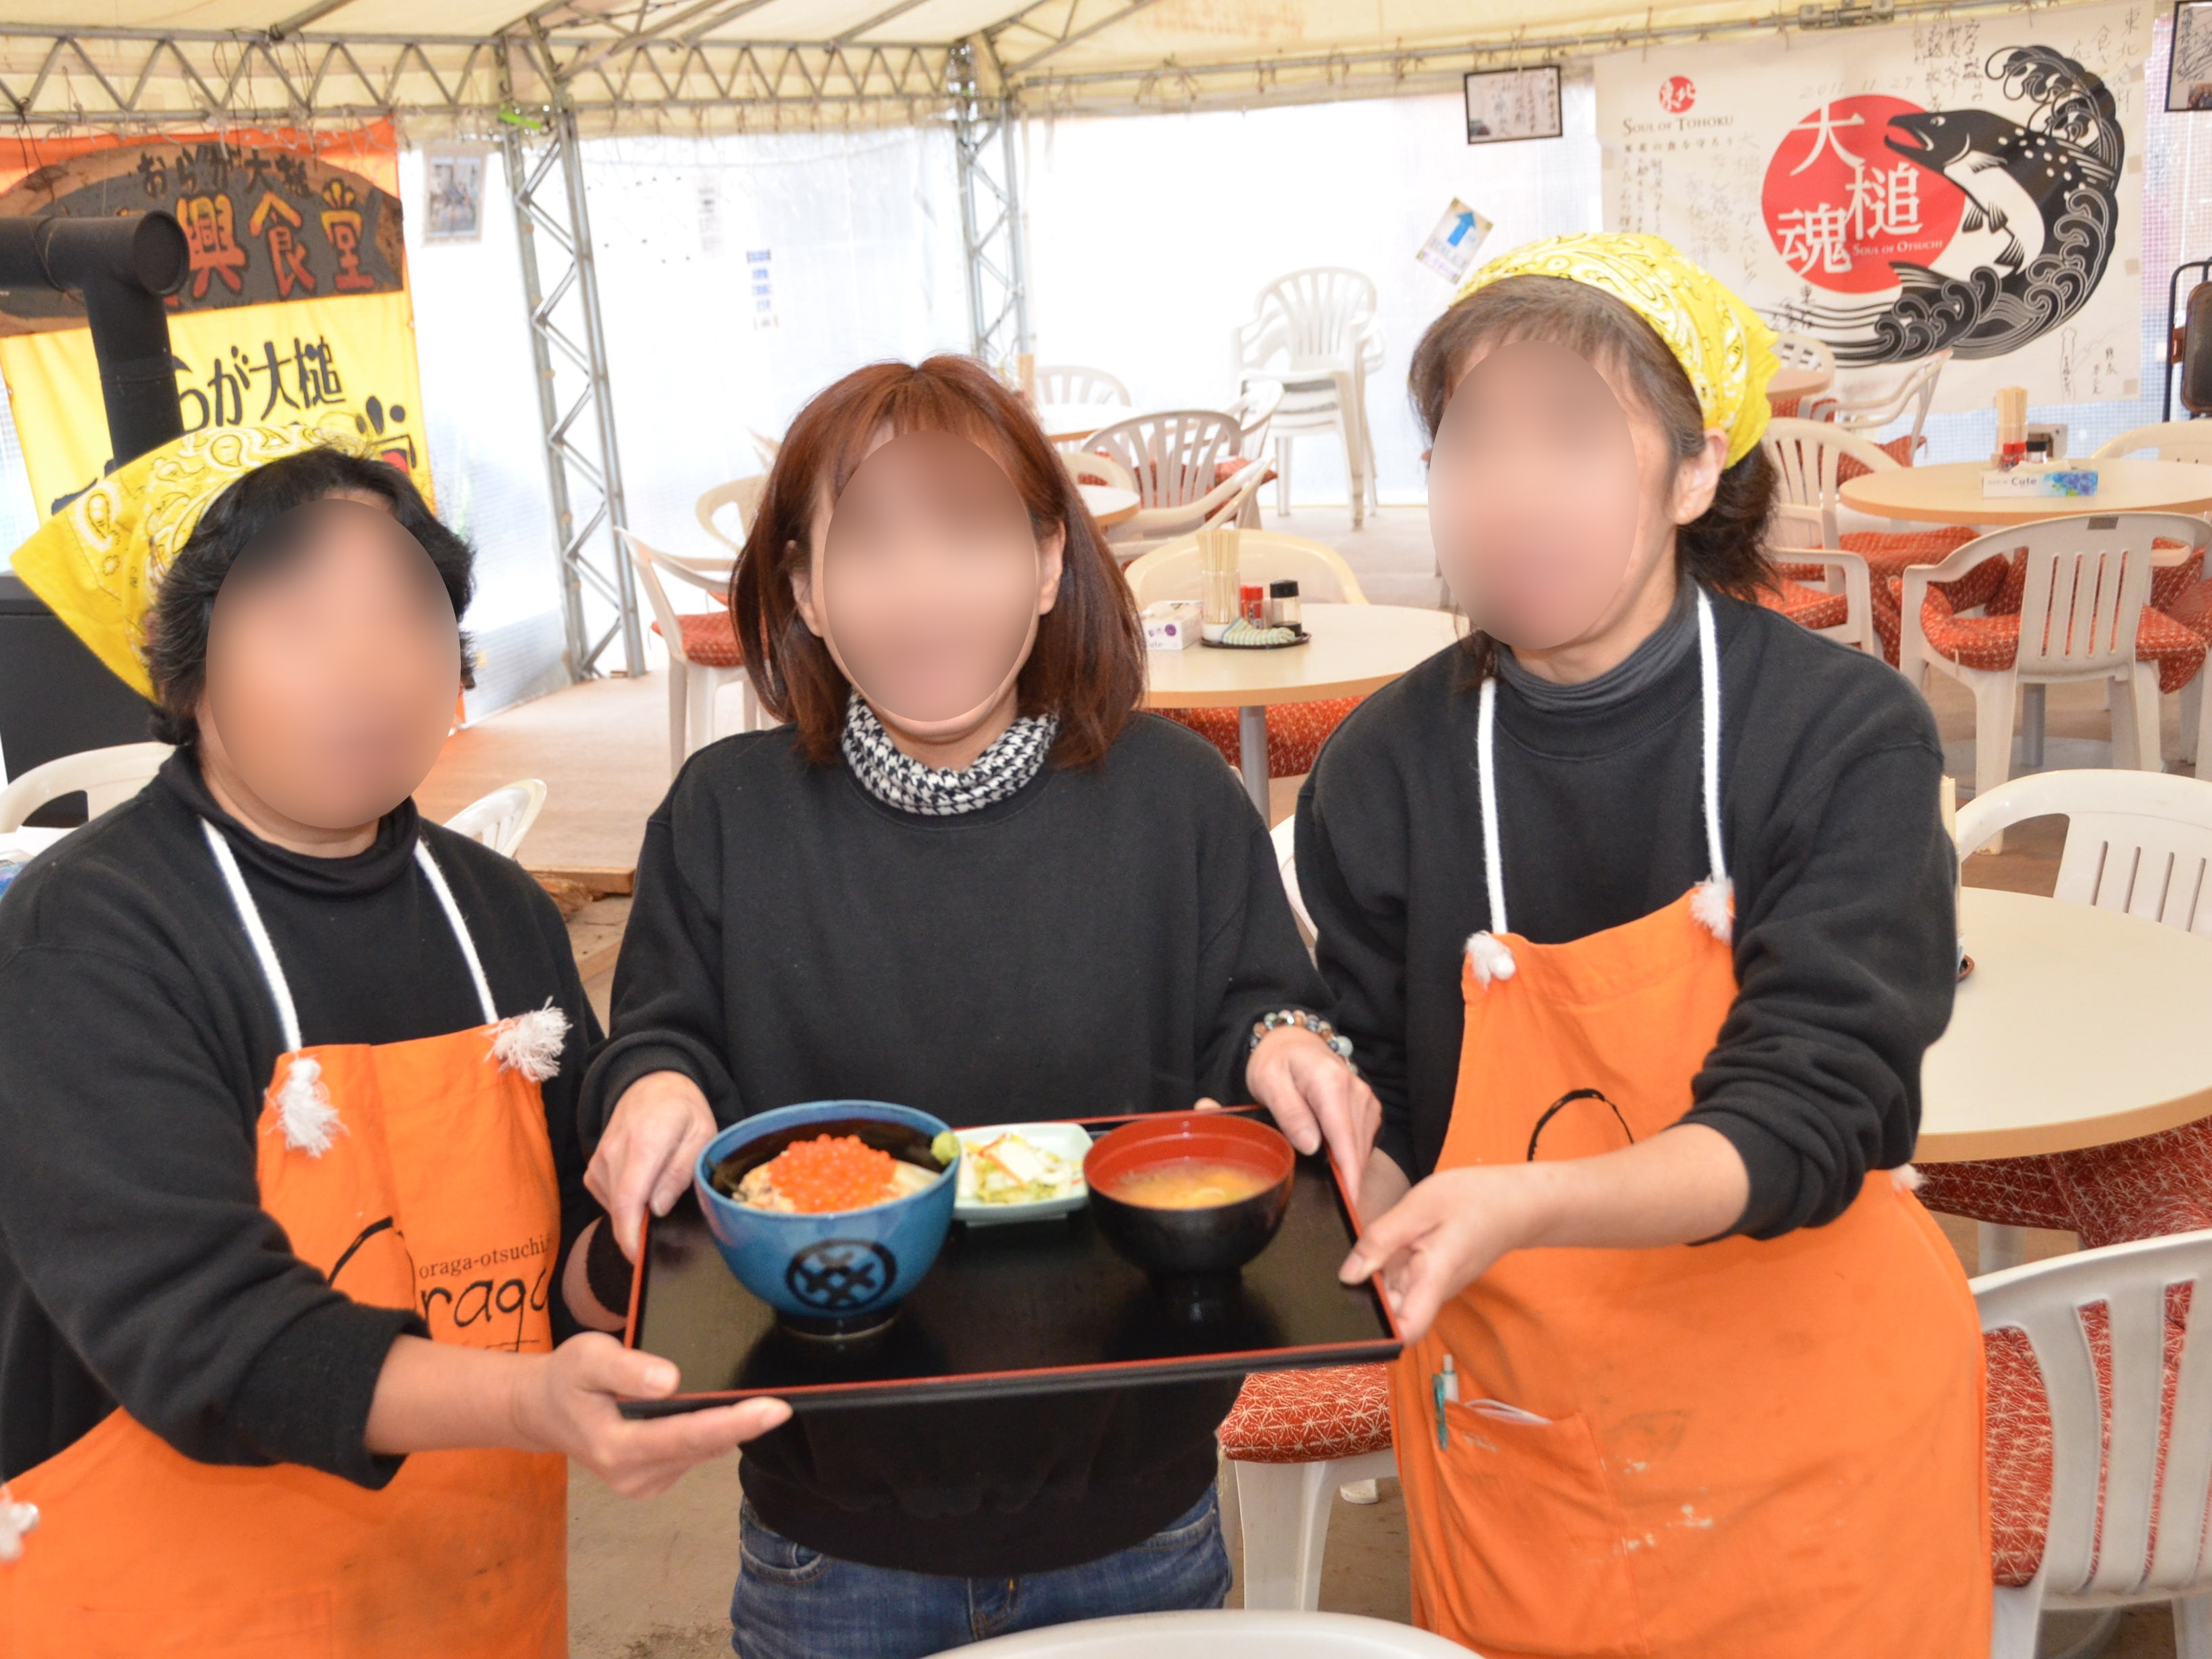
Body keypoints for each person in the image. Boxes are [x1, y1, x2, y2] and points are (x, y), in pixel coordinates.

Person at [581, 355, 1380, 1658]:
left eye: (967, 534)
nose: (924, 590)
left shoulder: (1174, 799)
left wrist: (1291, 1049)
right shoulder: (725, 816)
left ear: (1050, 562)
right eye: (870, 543)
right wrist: (652, 1088)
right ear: (804, 590)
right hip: (832, 1540)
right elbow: (665, 1037)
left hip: (1137, 1517)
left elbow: (1259, 1011)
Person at [1300, 236, 1988, 1658]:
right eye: (1473, 442)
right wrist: (1334, 1150)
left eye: (1570, 436)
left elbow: (1816, 1110)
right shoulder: (1383, 769)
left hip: (1823, 1463)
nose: (1512, 492)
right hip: (1525, 1445)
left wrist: (1517, 1206)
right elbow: (1389, 1105)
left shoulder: (1841, 736)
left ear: (1691, 473)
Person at [0, 433, 787, 1657]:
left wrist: (660, 1249)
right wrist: (532, 1402)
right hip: (174, 1613)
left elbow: (567, 1264)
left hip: (468, 1598)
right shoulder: (89, 934)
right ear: (187, 666)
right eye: (300, 622)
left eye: (407, 613)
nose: (366, 666)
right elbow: (199, 1334)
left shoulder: (494, 910)